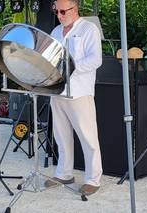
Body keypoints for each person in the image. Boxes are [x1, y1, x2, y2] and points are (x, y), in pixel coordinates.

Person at [44, 0, 103, 196]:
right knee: (61, 137)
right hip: (57, 91)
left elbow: (96, 59)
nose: (59, 15)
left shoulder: (89, 29)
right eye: (56, 11)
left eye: (62, 11)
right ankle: (64, 173)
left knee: (88, 138)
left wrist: (70, 67)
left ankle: (93, 179)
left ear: (75, 8)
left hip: (79, 92)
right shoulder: (55, 32)